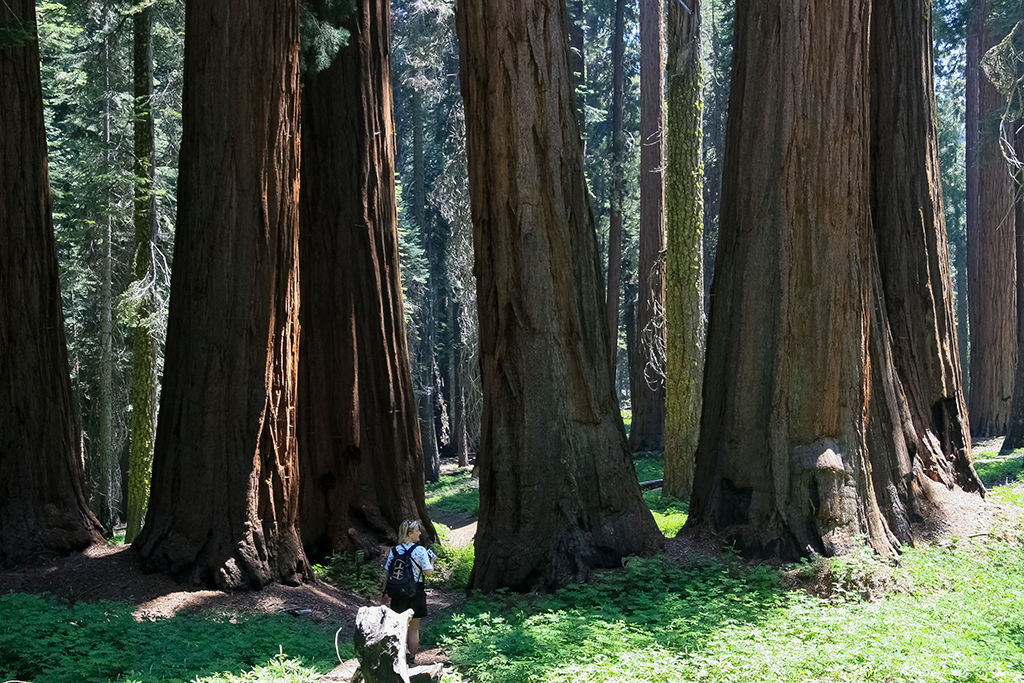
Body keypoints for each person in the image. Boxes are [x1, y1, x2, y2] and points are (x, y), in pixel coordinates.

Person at [382, 519, 435, 662]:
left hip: (398, 591)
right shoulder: (420, 550)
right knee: (413, 627)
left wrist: (385, 593)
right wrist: (432, 561)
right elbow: (428, 573)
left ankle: (399, 656)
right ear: (409, 533)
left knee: (399, 626)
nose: (419, 533)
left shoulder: (395, 550)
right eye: (417, 530)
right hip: (415, 591)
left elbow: (388, 572)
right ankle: (411, 658)